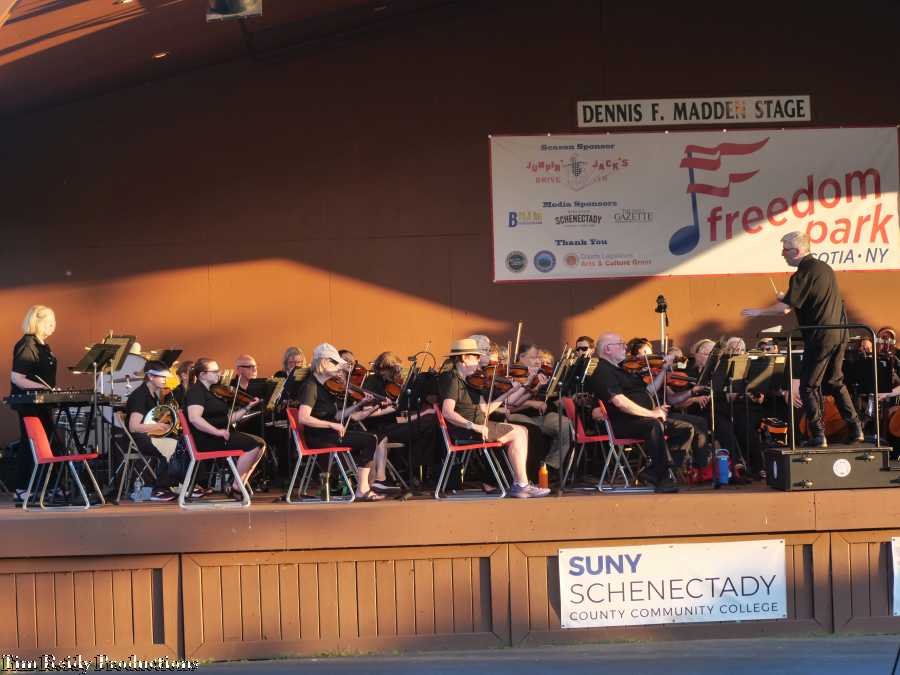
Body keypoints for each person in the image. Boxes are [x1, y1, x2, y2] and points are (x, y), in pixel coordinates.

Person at [742, 231, 863, 447]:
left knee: (808, 386)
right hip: (839, 333)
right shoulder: (823, 268)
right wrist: (787, 297)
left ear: (797, 251)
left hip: (820, 336)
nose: (782, 254)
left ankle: (818, 435)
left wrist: (757, 312)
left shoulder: (803, 272)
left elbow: (784, 310)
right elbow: (810, 299)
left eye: (785, 250)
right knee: (835, 382)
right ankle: (856, 429)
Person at [438, 338, 550, 498]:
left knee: (523, 430)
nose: (479, 361)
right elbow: (447, 412)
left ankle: (520, 482)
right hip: (465, 429)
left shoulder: (471, 381)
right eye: (476, 357)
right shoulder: (452, 379)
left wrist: (508, 393)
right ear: (464, 358)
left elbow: (486, 410)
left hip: (479, 425)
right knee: (518, 433)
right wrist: (473, 426)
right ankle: (521, 485)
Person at [584, 333, 687, 493]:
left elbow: (648, 391)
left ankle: (653, 470)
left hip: (638, 419)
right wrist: (652, 414)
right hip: (622, 422)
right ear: (608, 349)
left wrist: (663, 371)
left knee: (685, 428)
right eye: (621, 343)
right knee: (654, 425)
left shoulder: (622, 369)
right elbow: (620, 402)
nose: (625, 347)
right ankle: (662, 475)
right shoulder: (602, 371)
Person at [295, 343, 390, 501]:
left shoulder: (324, 386)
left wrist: (359, 404)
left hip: (328, 433)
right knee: (370, 439)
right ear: (324, 362)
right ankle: (362, 489)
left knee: (371, 438)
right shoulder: (310, 386)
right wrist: (331, 424)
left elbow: (338, 416)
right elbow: (303, 417)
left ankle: (362, 487)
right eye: (335, 362)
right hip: (319, 437)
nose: (339, 367)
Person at [185, 358, 266, 498]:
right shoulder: (196, 391)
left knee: (261, 444)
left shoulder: (211, 391)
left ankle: (238, 484)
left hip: (219, 435)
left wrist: (247, 407)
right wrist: (217, 432)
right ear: (203, 374)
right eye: (215, 371)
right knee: (253, 445)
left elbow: (228, 420)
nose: (219, 373)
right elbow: (194, 418)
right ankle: (237, 486)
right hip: (207, 439)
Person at [9, 305, 60, 502]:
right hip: (29, 403)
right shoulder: (27, 344)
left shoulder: (43, 346)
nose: (53, 327)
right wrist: (44, 388)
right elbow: (17, 378)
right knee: (31, 443)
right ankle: (22, 488)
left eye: (54, 323)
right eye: (49, 323)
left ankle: (47, 486)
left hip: (42, 402)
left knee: (48, 442)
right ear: (37, 322)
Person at [124, 360, 182, 501]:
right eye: (162, 377)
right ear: (150, 376)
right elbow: (134, 426)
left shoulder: (154, 394)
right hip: (141, 439)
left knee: (183, 443)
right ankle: (159, 489)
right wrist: (157, 426)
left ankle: (177, 484)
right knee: (174, 446)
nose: (165, 380)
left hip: (152, 436)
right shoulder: (140, 396)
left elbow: (150, 420)